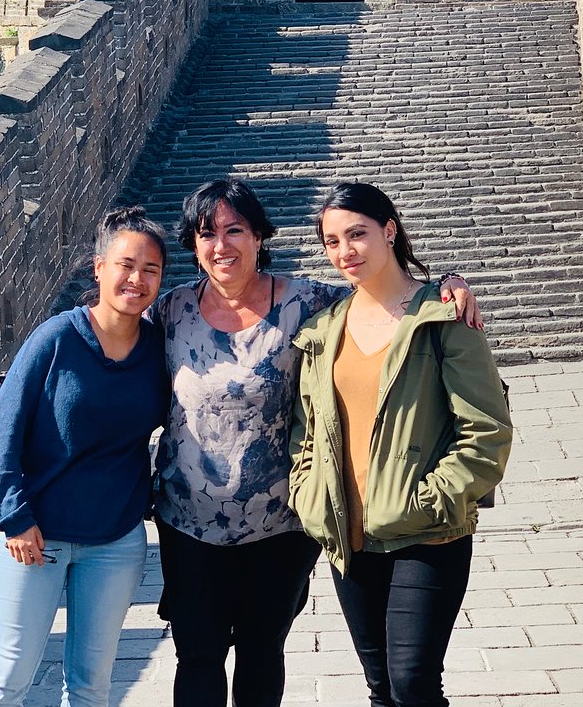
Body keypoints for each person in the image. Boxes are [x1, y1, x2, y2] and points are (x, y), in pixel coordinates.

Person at [150, 178, 480, 707]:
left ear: (260, 236)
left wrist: (449, 283)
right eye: (205, 233)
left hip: (282, 525)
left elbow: (383, 290)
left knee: (263, 654)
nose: (221, 245)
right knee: (198, 658)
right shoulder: (169, 313)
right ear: (192, 244)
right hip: (189, 524)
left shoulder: (309, 303)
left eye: (235, 230)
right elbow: (110, 331)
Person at [290, 182, 512, 707]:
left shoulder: (442, 317)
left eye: (358, 234)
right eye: (332, 241)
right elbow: (308, 432)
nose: (346, 251)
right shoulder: (324, 329)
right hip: (351, 536)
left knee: (414, 682)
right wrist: (309, 494)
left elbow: (487, 431)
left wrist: (433, 498)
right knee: (382, 689)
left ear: (389, 230)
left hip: (427, 534)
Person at [0, 206, 172, 707]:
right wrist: (15, 518)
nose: (137, 278)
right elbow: (0, 434)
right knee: (7, 679)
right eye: (126, 265)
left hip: (116, 540)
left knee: (91, 686)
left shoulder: (159, 348)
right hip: (35, 537)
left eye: (151, 269)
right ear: (99, 268)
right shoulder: (57, 337)